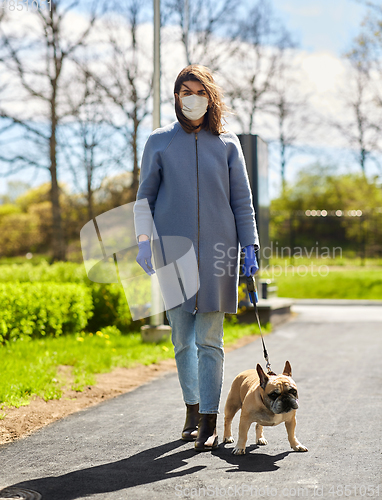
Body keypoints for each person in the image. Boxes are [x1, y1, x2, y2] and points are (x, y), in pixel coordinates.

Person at [134, 65, 259, 452]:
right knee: (182, 340)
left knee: (210, 339)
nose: (192, 98)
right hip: (173, 252)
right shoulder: (159, 141)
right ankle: (191, 408)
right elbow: (145, 198)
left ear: (210, 97)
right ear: (176, 97)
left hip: (220, 252)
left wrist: (250, 245)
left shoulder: (227, 143)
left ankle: (208, 417)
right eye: (185, 92)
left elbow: (242, 200)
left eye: (199, 92)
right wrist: (143, 241)